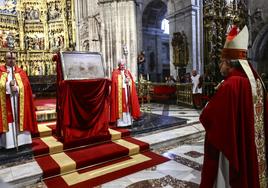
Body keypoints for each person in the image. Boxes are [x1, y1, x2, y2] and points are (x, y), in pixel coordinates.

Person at [199, 26, 268, 188]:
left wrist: (209, 105)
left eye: (221, 62)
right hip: (251, 144)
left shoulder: (231, 85)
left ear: (229, 63)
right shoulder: (257, 81)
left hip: (232, 146)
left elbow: (211, 117)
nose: (220, 66)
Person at [0, 52, 37, 149]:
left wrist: (17, 88)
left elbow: (26, 87)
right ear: (4, 59)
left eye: (13, 58)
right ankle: (9, 143)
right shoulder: (0, 71)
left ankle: (23, 141)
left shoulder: (20, 72)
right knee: (8, 119)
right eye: (9, 58)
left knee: (20, 117)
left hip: (19, 100)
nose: (11, 60)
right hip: (7, 101)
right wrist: (8, 86)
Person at [110, 59, 141, 127]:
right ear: (119, 65)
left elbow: (131, 82)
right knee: (121, 106)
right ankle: (121, 122)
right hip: (119, 93)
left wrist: (128, 81)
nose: (123, 66)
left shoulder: (127, 72)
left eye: (124, 65)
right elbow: (114, 83)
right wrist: (123, 80)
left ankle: (128, 121)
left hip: (127, 92)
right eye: (121, 65)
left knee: (127, 105)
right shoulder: (115, 72)